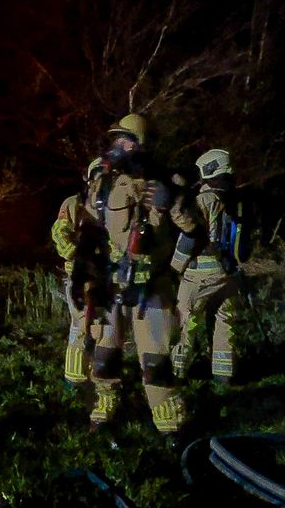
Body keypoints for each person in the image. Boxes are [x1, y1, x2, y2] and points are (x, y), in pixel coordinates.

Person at [72, 113, 198, 439]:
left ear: (141, 145)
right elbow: (89, 233)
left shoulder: (168, 185)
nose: (117, 147)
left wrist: (173, 268)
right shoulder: (101, 185)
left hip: (152, 288)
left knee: (156, 362)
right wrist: (81, 278)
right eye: (115, 140)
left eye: (124, 140)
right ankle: (103, 416)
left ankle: (170, 427)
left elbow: (195, 232)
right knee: (104, 356)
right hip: (110, 284)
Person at [171, 149, 243, 385]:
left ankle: (176, 374)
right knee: (225, 322)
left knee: (185, 322)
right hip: (228, 273)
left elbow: (190, 236)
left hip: (199, 274)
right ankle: (224, 375)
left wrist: (175, 267)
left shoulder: (203, 200)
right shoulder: (235, 198)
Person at [51, 157, 105, 388]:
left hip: (105, 276)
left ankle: (95, 376)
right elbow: (59, 233)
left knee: (101, 327)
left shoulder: (114, 205)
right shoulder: (74, 204)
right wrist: (78, 255)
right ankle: (74, 380)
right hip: (80, 276)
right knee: (82, 324)